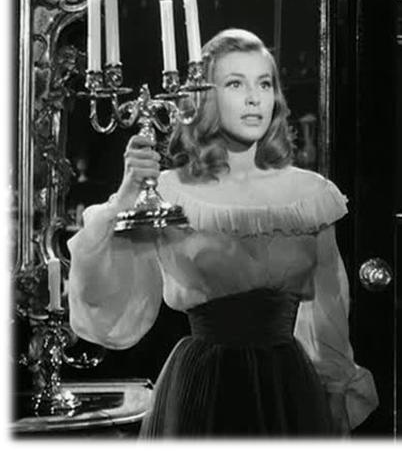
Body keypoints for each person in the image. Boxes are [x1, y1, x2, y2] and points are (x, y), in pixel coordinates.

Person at [67, 28, 379, 437]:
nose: (254, 98)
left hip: (286, 385)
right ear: (206, 98)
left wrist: (335, 391)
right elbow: (109, 303)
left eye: (263, 84)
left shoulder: (310, 194)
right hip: (204, 384)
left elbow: (329, 308)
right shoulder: (171, 190)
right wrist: (126, 196)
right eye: (236, 84)